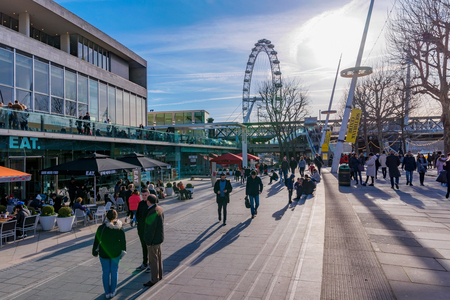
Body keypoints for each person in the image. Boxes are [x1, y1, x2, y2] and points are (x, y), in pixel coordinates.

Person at [92, 209, 126, 298]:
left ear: (106, 216)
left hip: (104, 252)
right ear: (116, 217)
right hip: (116, 252)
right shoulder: (119, 227)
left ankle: (107, 292)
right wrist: (123, 250)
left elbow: (96, 241)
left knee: (105, 272)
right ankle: (113, 290)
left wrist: (94, 252)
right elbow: (123, 241)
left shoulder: (101, 228)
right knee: (114, 271)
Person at [143, 194, 164, 288]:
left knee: (153, 260)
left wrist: (148, 242)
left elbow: (150, 229)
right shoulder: (159, 208)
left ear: (148, 201)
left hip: (153, 240)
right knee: (158, 257)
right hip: (159, 238)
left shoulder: (152, 211)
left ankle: (154, 279)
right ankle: (160, 275)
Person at [135, 189, 151, 273]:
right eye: (143, 195)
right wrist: (138, 222)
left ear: (148, 195)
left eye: (145, 195)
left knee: (149, 247)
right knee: (143, 246)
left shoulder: (150, 204)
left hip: (148, 229)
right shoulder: (141, 203)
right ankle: (144, 262)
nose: (144, 196)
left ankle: (150, 264)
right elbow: (137, 214)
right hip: (141, 229)